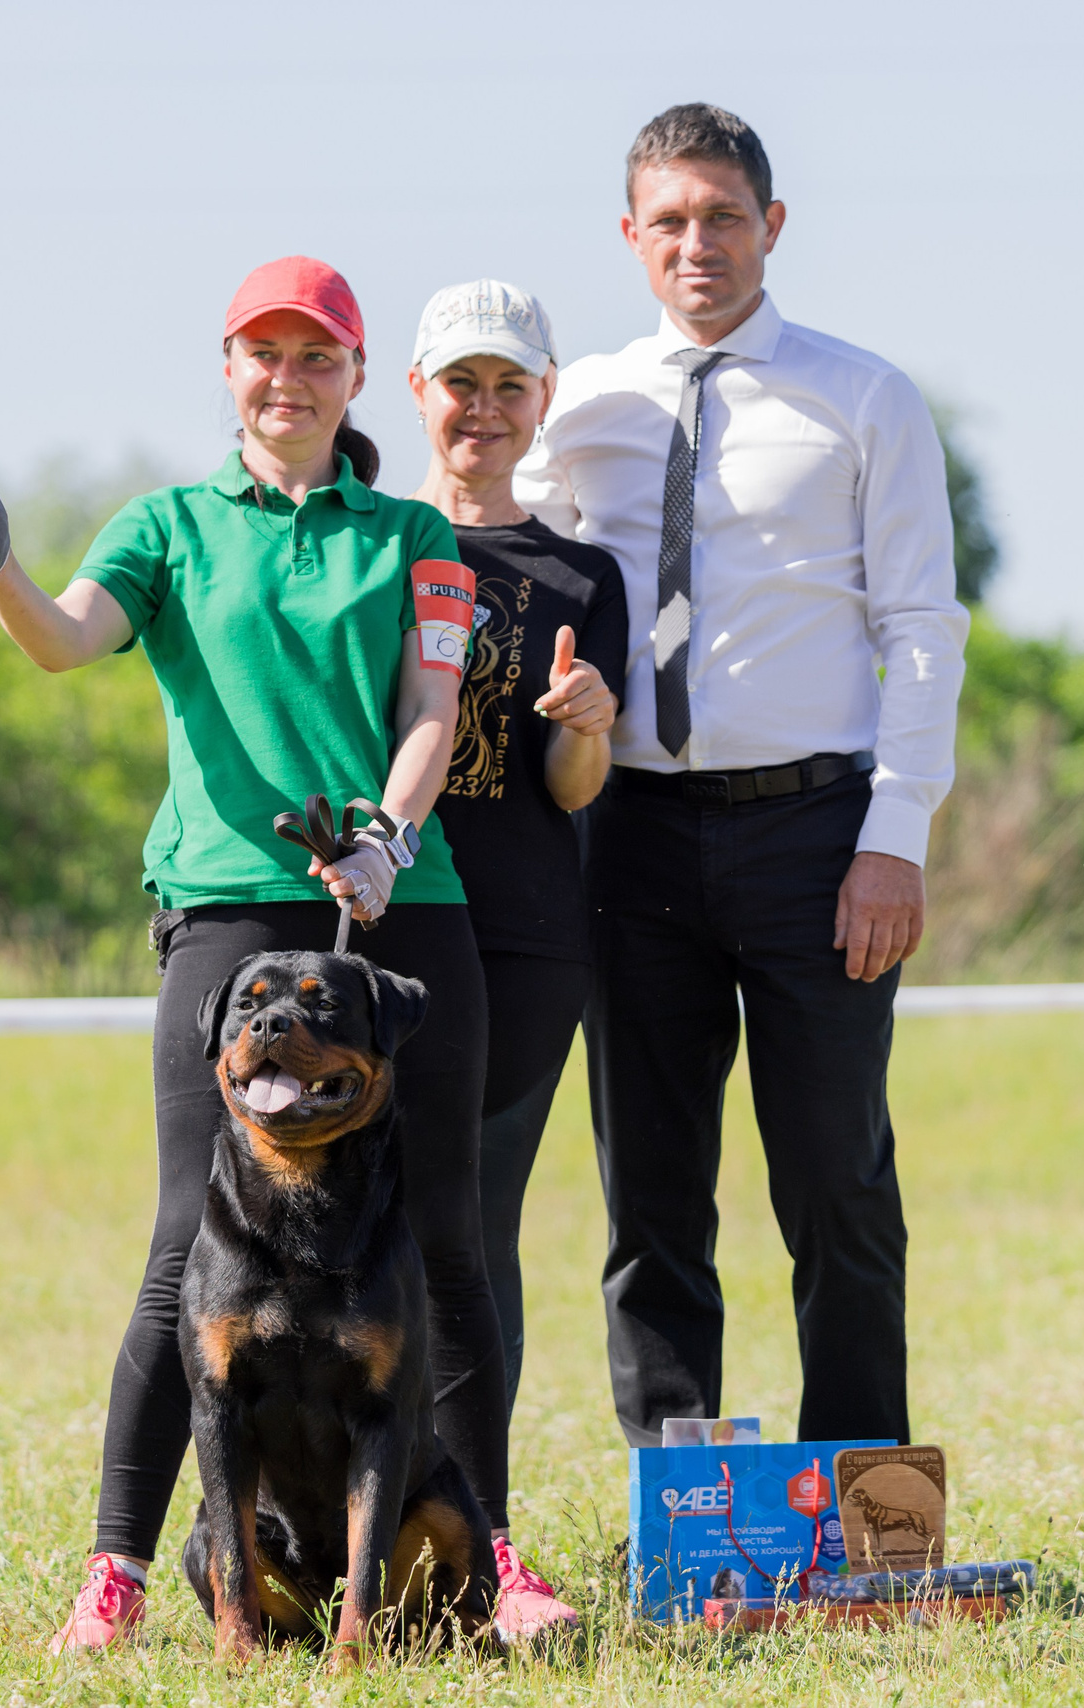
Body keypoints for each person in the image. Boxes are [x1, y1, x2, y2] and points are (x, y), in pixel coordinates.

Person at [0, 256, 564, 1650]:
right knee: (183, 1251)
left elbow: (429, 706)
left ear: (355, 379)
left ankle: (493, 1554)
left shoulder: (417, 536)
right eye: (262, 355)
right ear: (229, 369)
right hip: (226, 906)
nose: (288, 379)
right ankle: (119, 1571)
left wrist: (394, 838)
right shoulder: (164, 524)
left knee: (450, 1243)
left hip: (400, 906)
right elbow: (65, 642)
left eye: (317, 358)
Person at [513, 106, 969, 1449]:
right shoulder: (580, 405)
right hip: (630, 835)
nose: (697, 243)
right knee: (651, 1195)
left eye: (723, 216)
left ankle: (864, 1506)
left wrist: (899, 836)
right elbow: (491, 542)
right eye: (670, 220)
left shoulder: (864, 396)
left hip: (818, 838)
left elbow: (923, 630)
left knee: (837, 1179)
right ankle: (683, 1502)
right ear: (631, 238)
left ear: (773, 225)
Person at [403, 284, 626, 1607]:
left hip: (530, 940)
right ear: (417, 394)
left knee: (477, 1235)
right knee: (344, 1234)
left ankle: (478, 1541)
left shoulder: (580, 576)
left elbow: (574, 788)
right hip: (385, 925)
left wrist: (589, 717)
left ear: (541, 401)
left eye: (509, 387)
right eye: (460, 383)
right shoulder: (369, 545)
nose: (483, 410)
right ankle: (335, 1526)